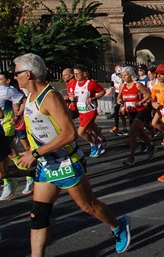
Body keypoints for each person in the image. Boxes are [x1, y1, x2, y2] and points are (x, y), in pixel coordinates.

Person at [14, 53, 131, 255]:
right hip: (46, 164)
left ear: (28, 74)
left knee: (88, 206)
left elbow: (69, 134)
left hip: (65, 161)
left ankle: (118, 226)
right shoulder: (29, 97)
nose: (13, 77)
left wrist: (34, 153)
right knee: (38, 215)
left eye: (15, 73)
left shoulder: (49, 97)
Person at [0, 71, 31, 200]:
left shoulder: (7, 90)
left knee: (8, 157)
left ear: (7, 81)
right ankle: (29, 177)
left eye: (1, 79)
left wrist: (17, 116)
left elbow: (24, 100)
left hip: (5, 126)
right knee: (12, 155)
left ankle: (10, 182)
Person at [117, 66, 154, 167]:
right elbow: (119, 98)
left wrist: (140, 102)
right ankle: (150, 146)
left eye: (126, 75)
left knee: (132, 133)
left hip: (141, 111)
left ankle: (131, 157)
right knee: (140, 132)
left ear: (131, 75)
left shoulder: (137, 85)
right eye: (123, 75)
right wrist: (121, 104)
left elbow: (148, 95)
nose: (124, 77)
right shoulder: (122, 86)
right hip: (130, 112)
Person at [72, 65, 107, 157]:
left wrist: (94, 97)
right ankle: (102, 140)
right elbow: (75, 96)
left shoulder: (90, 83)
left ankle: (94, 144)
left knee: (80, 132)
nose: (75, 76)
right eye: (74, 74)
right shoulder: (74, 84)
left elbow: (102, 91)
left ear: (83, 73)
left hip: (90, 111)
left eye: (77, 74)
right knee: (90, 128)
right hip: (81, 111)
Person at [109, 65, 125, 135]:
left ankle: (125, 128)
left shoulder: (124, 76)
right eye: (117, 74)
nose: (118, 75)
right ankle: (116, 126)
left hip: (124, 94)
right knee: (116, 111)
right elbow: (112, 83)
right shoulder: (113, 75)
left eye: (119, 74)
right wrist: (112, 88)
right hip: (116, 93)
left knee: (123, 112)